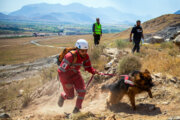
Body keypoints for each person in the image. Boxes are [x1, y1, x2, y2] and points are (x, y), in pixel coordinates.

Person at [57, 39, 99, 113]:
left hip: (76, 74)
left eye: (86, 50)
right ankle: (62, 96)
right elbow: (61, 71)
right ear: (77, 49)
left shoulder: (86, 56)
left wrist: (93, 71)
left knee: (82, 91)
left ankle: (76, 110)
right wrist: (66, 83)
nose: (84, 53)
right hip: (66, 77)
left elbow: (88, 67)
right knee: (70, 96)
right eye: (82, 51)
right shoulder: (70, 56)